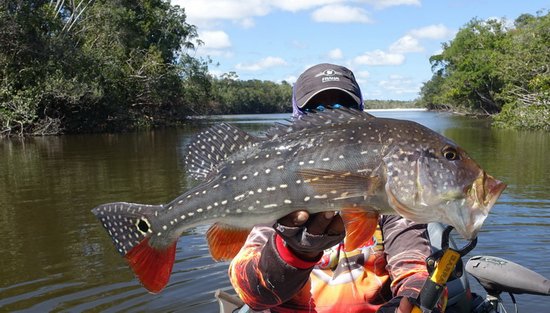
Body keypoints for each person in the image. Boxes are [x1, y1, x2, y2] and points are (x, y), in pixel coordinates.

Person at [228, 63, 443, 313]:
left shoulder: (390, 191)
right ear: (297, 121)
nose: (330, 119)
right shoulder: (274, 191)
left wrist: (411, 296)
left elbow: (413, 265)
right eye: (315, 111)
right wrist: (296, 251)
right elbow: (252, 293)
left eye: (344, 109)